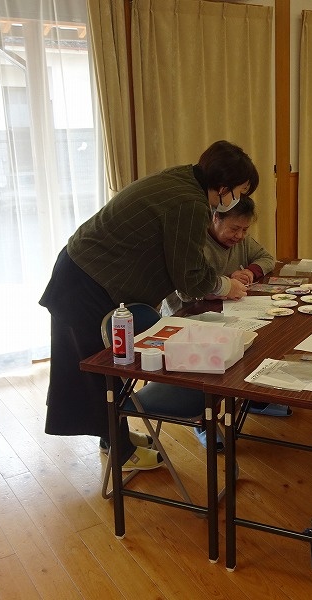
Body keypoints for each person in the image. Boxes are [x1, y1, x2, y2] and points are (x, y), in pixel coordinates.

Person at [40, 140, 259, 472]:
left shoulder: (183, 179)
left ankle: (115, 439)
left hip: (85, 272)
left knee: (105, 370)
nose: (238, 199)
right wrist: (227, 286)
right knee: (101, 372)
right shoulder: (190, 202)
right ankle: (121, 451)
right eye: (239, 192)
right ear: (224, 186)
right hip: (86, 281)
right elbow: (189, 275)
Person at [160, 195, 290, 451]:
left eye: (245, 230)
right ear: (215, 218)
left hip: (226, 311)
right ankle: (203, 419)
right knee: (213, 357)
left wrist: (250, 272)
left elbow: (266, 258)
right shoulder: (196, 243)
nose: (239, 236)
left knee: (261, 337)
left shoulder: (241, 241)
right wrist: (225, 283)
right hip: (187, 317)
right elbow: (187, 291)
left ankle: (252, 398)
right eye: (234, 228)